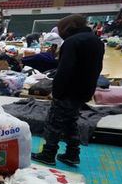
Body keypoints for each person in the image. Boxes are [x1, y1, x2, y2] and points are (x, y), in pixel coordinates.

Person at [31, 14, 105, 166]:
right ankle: (72, 154)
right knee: (71, 122)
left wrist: (56, 91)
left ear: (68, 27)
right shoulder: (96, 41)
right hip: (85, 89)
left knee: (54, 122)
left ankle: (48, 154)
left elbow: (64, 70)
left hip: (68, 90)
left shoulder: (72, 42)